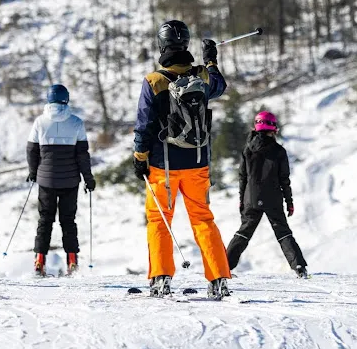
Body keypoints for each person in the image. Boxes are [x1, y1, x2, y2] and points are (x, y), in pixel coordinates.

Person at [132, 20, 230, 298]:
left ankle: (161, 278)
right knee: (203, 219)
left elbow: (144, 125)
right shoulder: (201, 76)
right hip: (198, 163)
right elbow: (220, 86)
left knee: (160, 220)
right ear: (186, 44)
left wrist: (140, 157)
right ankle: (219, 279)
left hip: (163, 167)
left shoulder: (154, 81)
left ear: (161, 45)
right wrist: (211, 61)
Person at [226, 111, 308, 279]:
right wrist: (289, 202)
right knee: (283, 232)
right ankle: (299, 267)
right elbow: (284, 180)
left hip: (251, 197)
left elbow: (242, 178)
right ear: (273, 129)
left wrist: (242, 201)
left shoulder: (247, 150)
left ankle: (224, 267)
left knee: (243, 232)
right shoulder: (279, 151)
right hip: (273, 198)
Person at [26, 84, 95, 276]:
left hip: (46, 181)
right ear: (66, 99)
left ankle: (40, 261)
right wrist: (88, 179)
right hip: (70, 181)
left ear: (49, 99)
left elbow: (31, 150)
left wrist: (33, 172)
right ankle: (72, 261)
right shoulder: (76, 123)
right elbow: (83, 154)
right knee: (68, 221)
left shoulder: (39, 122)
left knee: (45, 220)